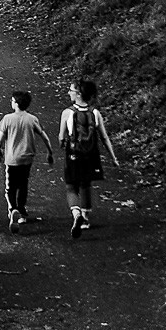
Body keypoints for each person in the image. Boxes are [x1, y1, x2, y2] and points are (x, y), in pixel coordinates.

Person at [58, 77, 119, 239]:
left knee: (71, 186)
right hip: (91, 155)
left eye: (71, 90)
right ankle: (85, 219)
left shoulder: (67, 113)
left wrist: (62, 143)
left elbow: (61, 137)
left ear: (78, 94)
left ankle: (76, 213)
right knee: (86, 184)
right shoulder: (95, 113)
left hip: (73, 154)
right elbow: (104, 137)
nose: (69, 93)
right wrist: (113, 157)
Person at [0, 90, 54, 230]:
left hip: (12, 159)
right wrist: (50, 151)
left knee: (10, 186)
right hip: (27, 159)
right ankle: (21, 210)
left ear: (16, 103)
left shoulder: (7, 118)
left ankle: (12, 209)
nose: (11, 103)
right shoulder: (32, 119)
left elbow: (0, 138)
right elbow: (44, 136)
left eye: (12, 101)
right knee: (23, 184)